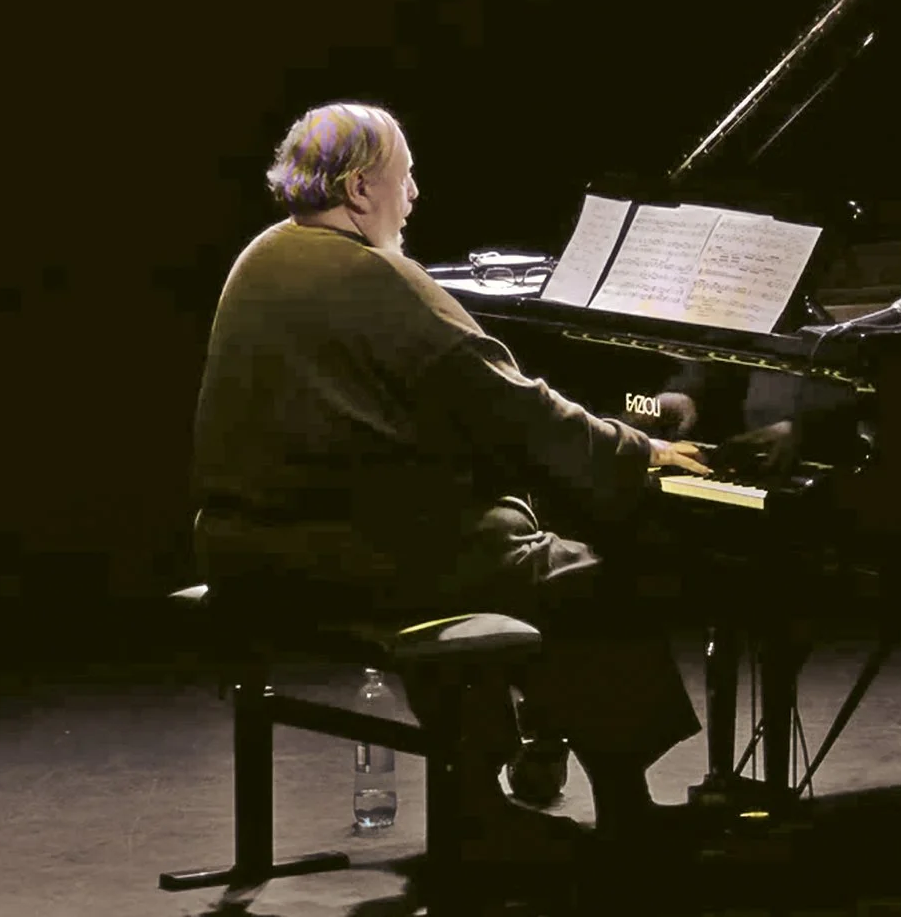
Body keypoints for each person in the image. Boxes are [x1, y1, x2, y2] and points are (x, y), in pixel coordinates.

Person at [191, 101, 716, 852]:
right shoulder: (375, 276)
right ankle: (623, 812)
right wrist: (636, 447)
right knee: (581, 576)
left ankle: (484, 783)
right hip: (335, 556)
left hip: (246, 547)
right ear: (360, 187)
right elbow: (515, 405)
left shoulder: (264, 256)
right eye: (404, 177)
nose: (413, 194)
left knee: (480, 537)